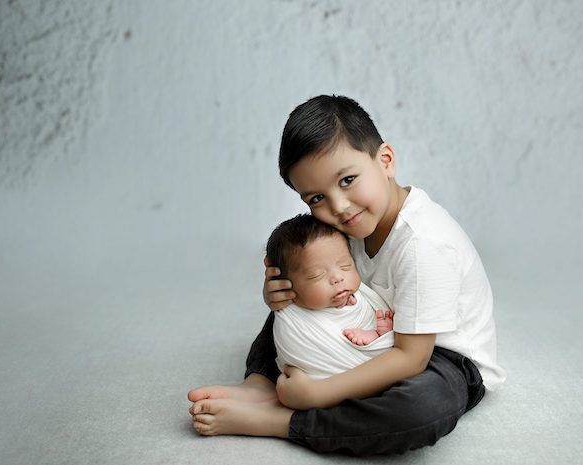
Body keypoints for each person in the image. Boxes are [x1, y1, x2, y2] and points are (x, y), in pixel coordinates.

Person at [187, 95, 506, 454]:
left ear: (385, 160)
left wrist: (317, 394)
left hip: (438, 357)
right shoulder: (352, 223)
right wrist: (278, 292)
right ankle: (263, 381)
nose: (339, 207)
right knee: (303, 276)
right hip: (371, 330)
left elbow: (411, 357)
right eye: (316, 199)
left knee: (422, 408)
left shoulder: (424, 244)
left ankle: (284, 420)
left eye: (348, 180)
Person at [266, 213, 396, 379]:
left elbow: (401, 349)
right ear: (286, 284)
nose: (337, 278)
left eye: (345, 265)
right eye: (316, 275)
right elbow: (308, 363)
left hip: (377, 371)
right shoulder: (293, 321)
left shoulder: (361, 296)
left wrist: (381, 337)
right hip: (329, 380)